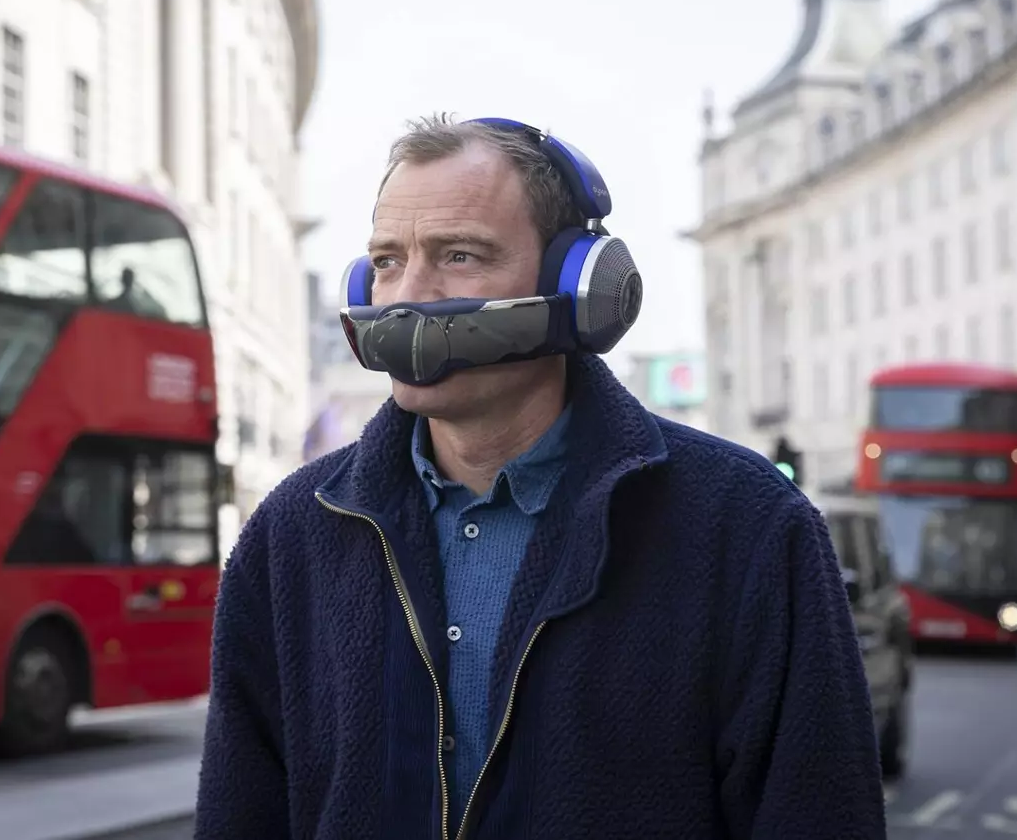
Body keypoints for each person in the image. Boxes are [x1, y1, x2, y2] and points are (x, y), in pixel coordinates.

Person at [195, 114, 886, 840]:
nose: (407, 296)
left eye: (459, 255)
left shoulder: (748, 527)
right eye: (388, 261)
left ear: (583, 287)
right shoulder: (290, 533)